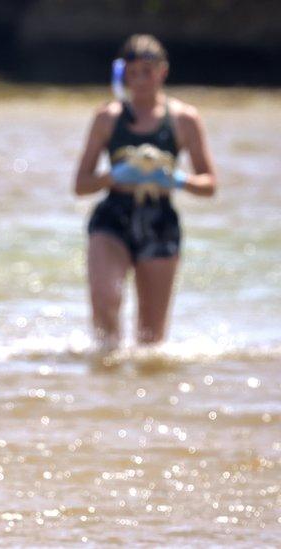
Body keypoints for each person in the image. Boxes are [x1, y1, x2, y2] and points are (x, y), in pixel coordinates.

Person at [74, 34, 217, 351]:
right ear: (123, 73)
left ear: (163, 72)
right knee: (106, 299)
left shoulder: (184, 119)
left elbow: (209, 184)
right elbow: (81, 184)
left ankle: (143, 397)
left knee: (151, 337)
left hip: (159, 220)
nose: (140, 80)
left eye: (148, 71)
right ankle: (104, 377)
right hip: (114, 215)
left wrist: (178, 180)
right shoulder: (108, 117)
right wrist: (114, 176)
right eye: (133, 72)